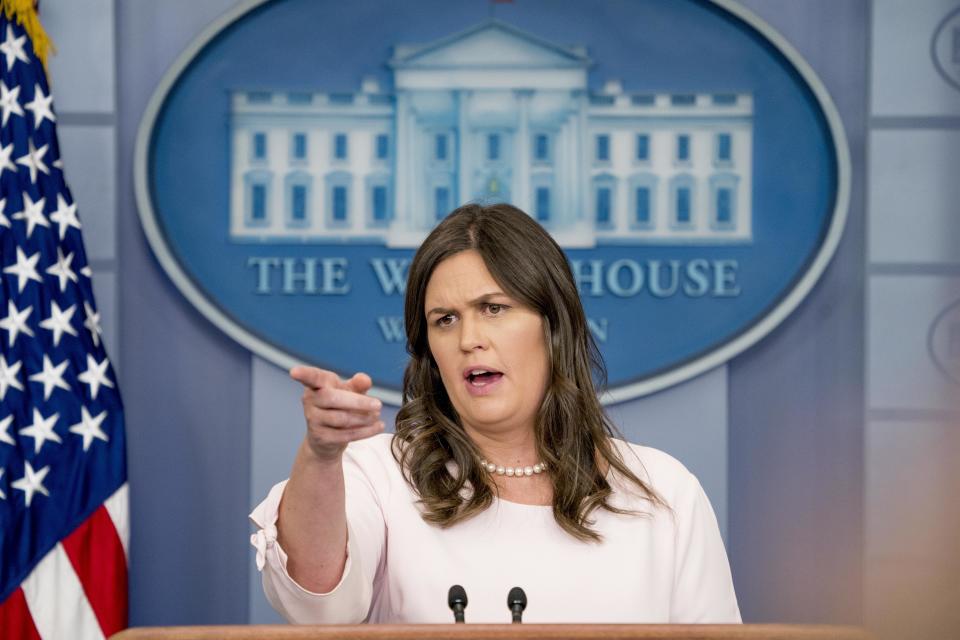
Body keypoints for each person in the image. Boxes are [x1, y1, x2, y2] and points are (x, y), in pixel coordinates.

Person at [250, 203, 741, 624]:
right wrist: (320, 454)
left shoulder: (662, 491)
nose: (468, 340)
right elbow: (316, 606)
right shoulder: (378, 475)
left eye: (494, 308)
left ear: (554, 327)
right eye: (445, 320)